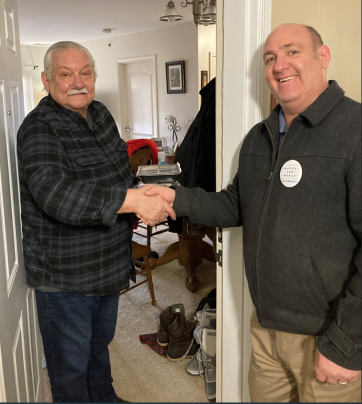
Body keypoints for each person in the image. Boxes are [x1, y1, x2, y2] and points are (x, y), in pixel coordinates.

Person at [145, 24, 361, 402]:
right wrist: (173, 197)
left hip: (328, 334)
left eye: (292, 52)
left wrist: (346, 342)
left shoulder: (355, 130)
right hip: (266, 328)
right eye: (270, 58)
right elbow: (234, 204)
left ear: (322, 57)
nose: (280, 66)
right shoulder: (260, 137)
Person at [17, 41, 175, 403]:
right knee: (69, 366)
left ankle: (104, 397)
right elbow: (54, 193)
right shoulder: (40, 127)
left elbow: (118, 174)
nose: (78, 82)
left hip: (109, 264)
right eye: (65, 74)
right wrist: (131, 200)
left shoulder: (100, 113)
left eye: (85, 73)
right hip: (66, 277)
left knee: (98, 346)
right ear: (45, 79)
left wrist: (141, 193)